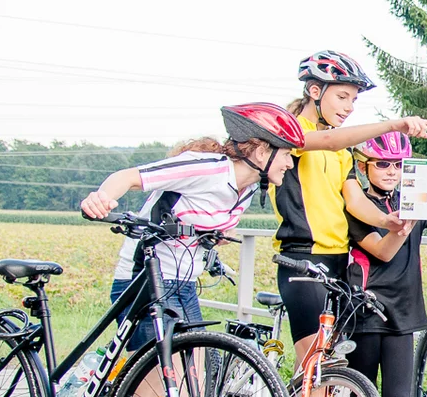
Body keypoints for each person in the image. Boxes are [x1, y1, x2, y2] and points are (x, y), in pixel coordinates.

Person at [83, 102, 305, 352]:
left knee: (196, 376)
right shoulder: (207, 168)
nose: (289, 163)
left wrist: (218, 234)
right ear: (261, 152)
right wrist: (101, 199)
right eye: (286, 154)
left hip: (184, 282)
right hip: (144, 279)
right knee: (162, 380)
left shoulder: (249, 189)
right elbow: (128, 177)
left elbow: (208, 217)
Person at [273, 49, 427, 361]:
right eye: (342, 97)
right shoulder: (292, 131)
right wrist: (393, 125)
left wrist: (387, 221)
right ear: (315, 91)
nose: (349, 107)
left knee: (331, 368)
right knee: (313, 364)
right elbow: (327, 141)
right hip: (303, 259)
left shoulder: (342, 153)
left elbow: (354, 201)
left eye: (353, 100)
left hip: (338, 262)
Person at [343, 131, 427, 397]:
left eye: (398, 164)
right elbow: (381, 252)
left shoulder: (412, 199)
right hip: (367, 307)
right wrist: (401, 226)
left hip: (404, 308)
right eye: (383, 164)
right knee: (361, 393)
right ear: (365, 167)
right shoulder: (357, 207)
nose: (392, 171)